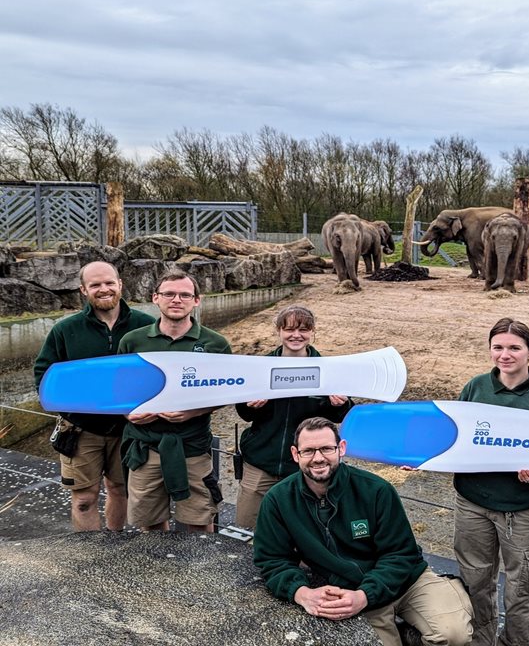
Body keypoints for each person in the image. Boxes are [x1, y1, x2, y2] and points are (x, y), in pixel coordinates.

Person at [253, 416, 474, 646]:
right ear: (295, 454)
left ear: (342, 448)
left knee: (454, 634)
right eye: (308, 451)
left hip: (406, 582)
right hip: (348, 588)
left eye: (327, 448)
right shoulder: (278, 500)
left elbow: (401, 555)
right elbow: (272, 559)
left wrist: (365, 596)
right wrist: (301, 593)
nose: (318, 458)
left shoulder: (377, 490)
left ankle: (414, 631)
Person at [454, 317, 529, 646]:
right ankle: (481, 640)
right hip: (473, 503)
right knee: (476, 581)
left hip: (523, 509)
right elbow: (456, 435)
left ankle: (519, 642)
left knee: (523, 587)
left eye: (514, 348)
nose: (505, 355)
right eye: (498, 347)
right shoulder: (475, 388)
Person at [33, 261, 155, 531]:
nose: (104, 289)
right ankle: (89, 555)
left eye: (109, 283)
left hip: (129, 429)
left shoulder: (145, 325)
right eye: (95, 285)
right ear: (83, 290)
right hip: (81, 429)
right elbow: (44, 378)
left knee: (120, 489)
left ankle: (113, 545)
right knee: (84, 498)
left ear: (120, 284)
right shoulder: (65, 330)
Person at [117, 269, 232, 532]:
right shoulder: (132, 341)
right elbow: (121, 391)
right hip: (146, 448)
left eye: (184, 294)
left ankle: (199, 571)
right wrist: (128, 414)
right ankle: (158, 571)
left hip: (192, 447)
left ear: (196, 301)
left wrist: (193, 412)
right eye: (169, 294)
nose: (176, 300)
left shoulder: (215, 344)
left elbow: (227, 392)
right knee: (150, 523)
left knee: (199, 522)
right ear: (155, 298)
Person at [234, 304, 352, 530]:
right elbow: (245, 413)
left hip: (304, 466)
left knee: (302, 530)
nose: (296, 335)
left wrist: (341, 403)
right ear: (278, 331)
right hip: (260, 462)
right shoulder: (259, 367)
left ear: (312, 332)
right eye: (289, 329)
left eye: (303, 330)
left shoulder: (328, 369)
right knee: (247, 527)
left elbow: (338, 415)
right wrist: (252, 405)